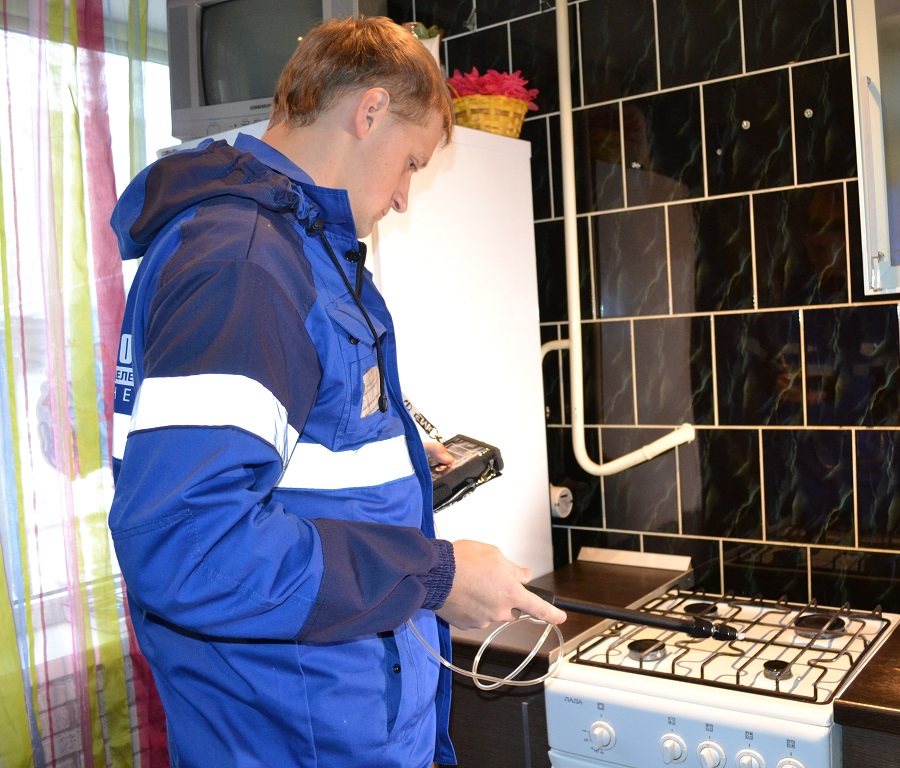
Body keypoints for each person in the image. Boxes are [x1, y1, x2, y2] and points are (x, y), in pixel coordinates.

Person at [108, 15, 565, 768]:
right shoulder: (244, 262)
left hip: (337, 717)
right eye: (411, 163)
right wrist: (436, 576)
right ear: (370, 111)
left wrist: (393, 457)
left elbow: (284, 454)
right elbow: (191, 544)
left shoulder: (294, 248)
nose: (405, 196)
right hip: (294, 735)